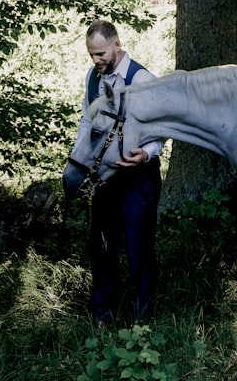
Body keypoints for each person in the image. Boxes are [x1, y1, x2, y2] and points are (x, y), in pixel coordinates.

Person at [75, 20, 163, 325]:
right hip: (103, 178)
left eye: (100, 53)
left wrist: (147, 153)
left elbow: (163, 128)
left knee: (139, 249)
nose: (96, 60)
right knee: (101, 244)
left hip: (139, 179)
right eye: (91, 55)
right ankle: (103, 315)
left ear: (117, 44)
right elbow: (87, 122)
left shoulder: (142, 79)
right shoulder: (92, 77)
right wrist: (80, 160)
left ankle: (143, 319)